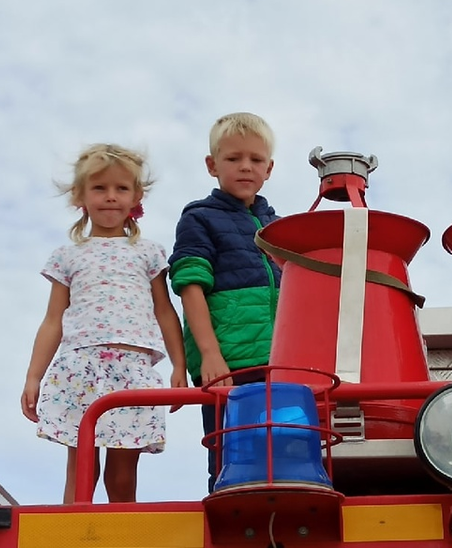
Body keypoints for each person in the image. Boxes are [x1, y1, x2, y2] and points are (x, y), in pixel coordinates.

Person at [21, 143, 187, 504]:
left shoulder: (148, 252)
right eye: (99, 188)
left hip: (133, 368)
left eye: (121, 188)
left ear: (136, 196)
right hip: (81, 364)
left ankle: (121, 532)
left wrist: (180, 364)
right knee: (81, 464)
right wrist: (34, 375)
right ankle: (73, 531)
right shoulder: (68, 255)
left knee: (122, 471)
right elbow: (53, 321)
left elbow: (164, 310)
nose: (111, 197)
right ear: (80, 196)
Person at [168, 112, 282, 493]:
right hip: (230, 362)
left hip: (281, 360)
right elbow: (189, 285)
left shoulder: (278, 225)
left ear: (269, 168)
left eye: (255, 159)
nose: (245, 167)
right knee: (231, 457)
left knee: (285, 453)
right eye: (233, 159)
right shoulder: (199, 218)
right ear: (212, 165)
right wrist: (211, 354)